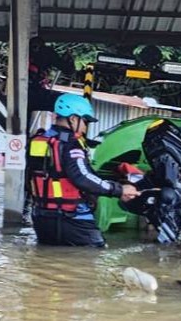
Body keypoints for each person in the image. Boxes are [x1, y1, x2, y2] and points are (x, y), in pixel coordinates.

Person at [28, 93, 139, 247]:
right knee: (93, 258)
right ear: (73, 119)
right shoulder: (70, 144)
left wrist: (115, 185)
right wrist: (119, 190)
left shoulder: (39, 140)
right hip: (73, 218)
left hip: (42, 219)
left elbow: (32, 178)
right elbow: (82, 177)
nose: (86, 126)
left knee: (47, 260)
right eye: (85, 121)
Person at [27, 36, 66, 114]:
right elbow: (66, 68)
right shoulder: (26, 54)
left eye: (36, 47)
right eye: (34, 47)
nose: (35, 50)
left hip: (36, 89)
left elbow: (66, 68)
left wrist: (66, 61)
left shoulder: (47, 53)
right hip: (31, 90)